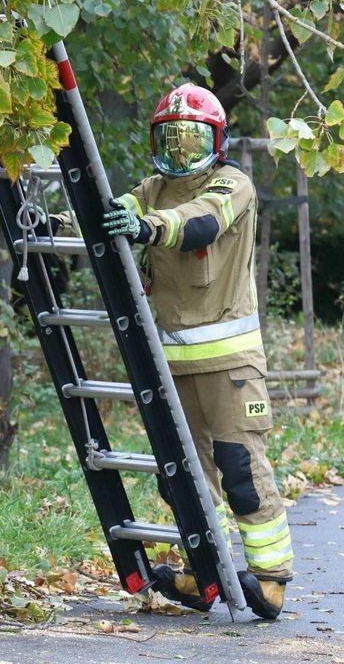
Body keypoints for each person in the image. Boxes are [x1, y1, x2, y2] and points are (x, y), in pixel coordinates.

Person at [100, 83, 293, 621]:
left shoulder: (233, 184)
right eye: (171, 139)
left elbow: (200, 221)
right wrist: (59, 226)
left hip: (231, 368)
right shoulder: (152, 189)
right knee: (182, 478)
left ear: (216, 140)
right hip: (172, 367)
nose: (181, 152)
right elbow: (108, 215)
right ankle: (200, 570)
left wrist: (147, 228)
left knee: (241, 470)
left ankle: (271, 580)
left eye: (192, 140)